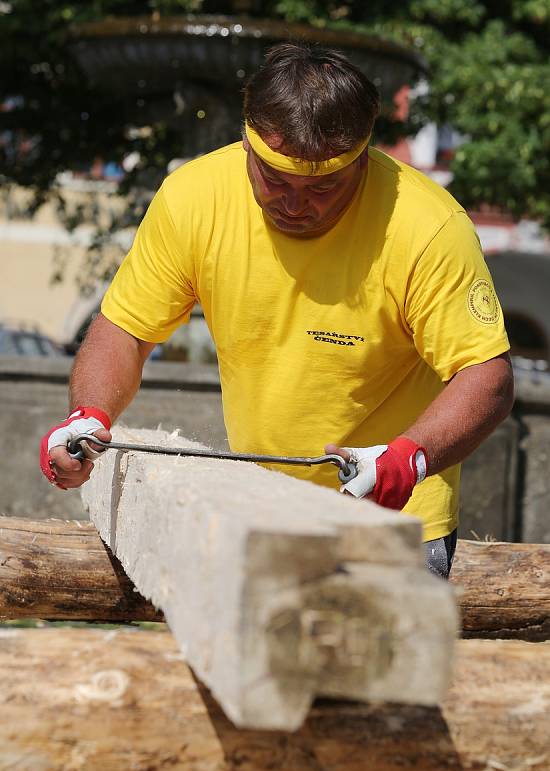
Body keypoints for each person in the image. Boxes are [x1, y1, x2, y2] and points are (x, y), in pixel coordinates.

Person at [40, 43, 513, 579]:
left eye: (324, 186)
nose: (294, 202)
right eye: (275, 179)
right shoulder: (194, 197)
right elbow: (125, 330)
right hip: (256, 510)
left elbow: (487, 377)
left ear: (362, 156)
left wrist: (411, 457)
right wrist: (90, 415)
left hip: (392, 525)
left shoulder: (428, 227)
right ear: (247, 142)